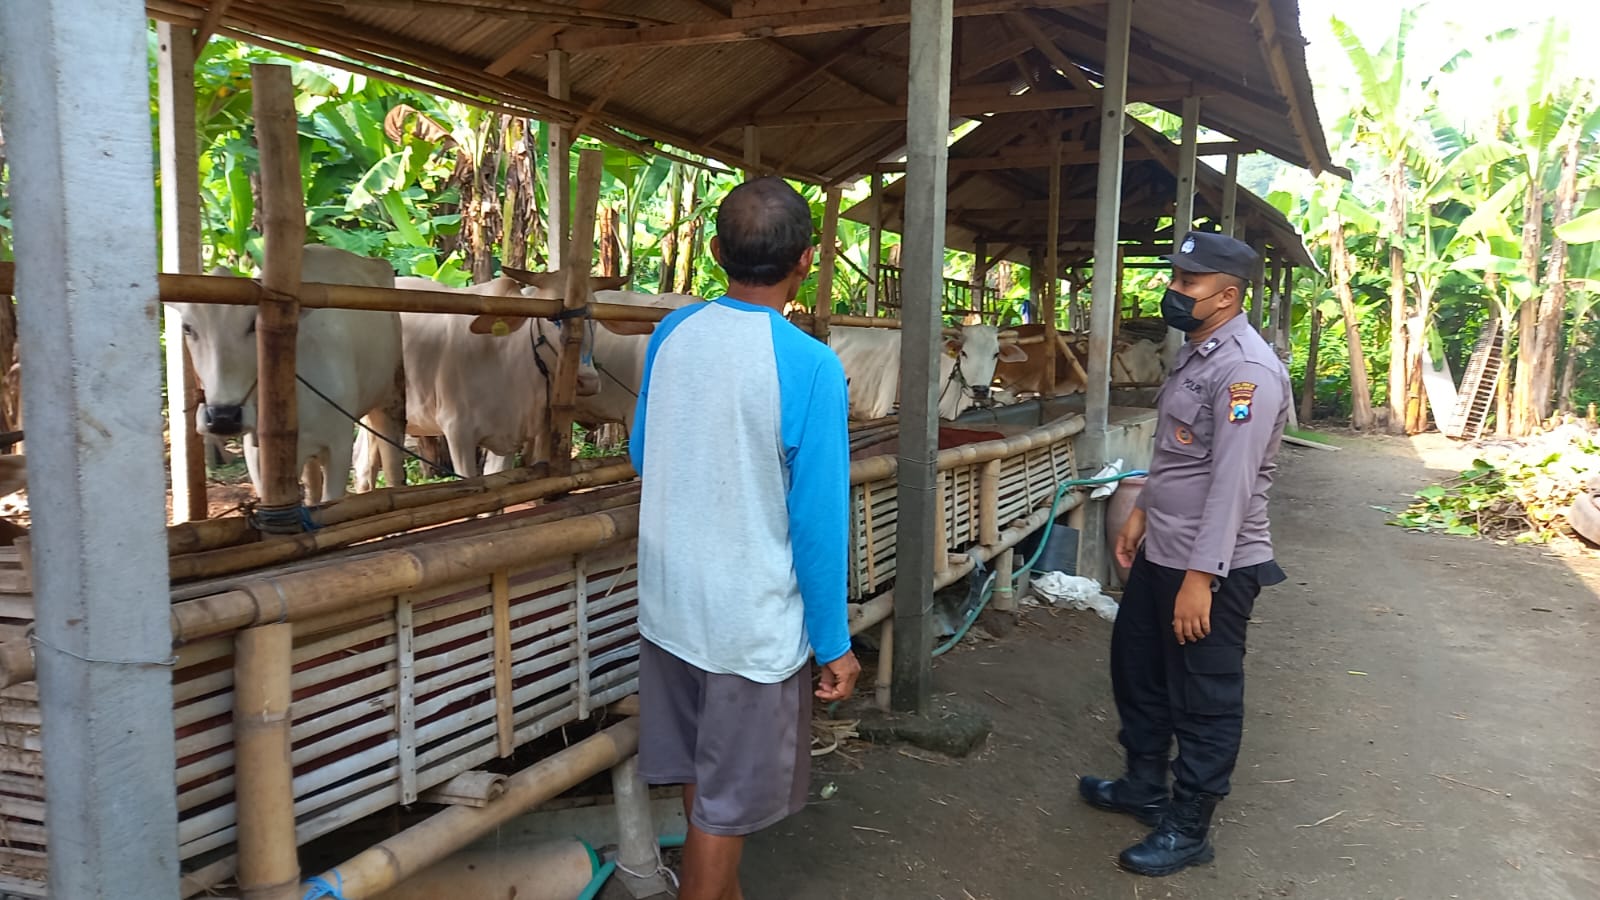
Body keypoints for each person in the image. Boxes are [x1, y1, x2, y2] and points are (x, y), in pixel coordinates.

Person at [629, 176, 862, 900]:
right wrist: (835, 644)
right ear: (806, 261)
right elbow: (819, 523)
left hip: (668, 609)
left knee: (704, 779)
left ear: (714, 251)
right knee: (725, 812)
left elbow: (643, 452)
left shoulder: (673, 333)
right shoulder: (811, 366)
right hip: (747, 628)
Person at [1079, 230, 1290, 877]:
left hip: (1213, 562)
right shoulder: (1197, 352)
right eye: (1174, 278)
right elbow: (1179, 453)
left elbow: (1231, 485)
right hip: (1163, 549)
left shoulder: (1245, 371)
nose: (1174, 291)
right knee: (1137, 670)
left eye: (1187, 284)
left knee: (1204, 695)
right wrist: (1140, 512)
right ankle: (1144, 783)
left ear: (1227, 296)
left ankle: (1190, 825)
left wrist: (1202, 579)